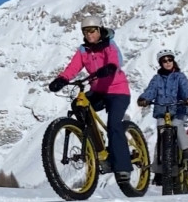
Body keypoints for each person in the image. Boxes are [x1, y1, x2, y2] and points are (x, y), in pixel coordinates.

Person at [47, 14, 133, 184]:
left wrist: (109, 68)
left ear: (99, 30)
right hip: (98, 91)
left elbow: (115, 61)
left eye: (92, 31)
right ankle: (93, 137)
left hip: (118, 92)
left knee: (114, 125)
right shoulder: (83, 50)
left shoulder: (109, 45)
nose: (89, 35)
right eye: (85, 32)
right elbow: (73, 67)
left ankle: (123, 167)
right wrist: (61, 79)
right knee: (78, 105)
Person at [137, 49, 188, 186]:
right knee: (161, 136)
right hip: (162, 111)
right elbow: (150, 90)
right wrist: (144, 98)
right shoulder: (157, 79)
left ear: (173, 61)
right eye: (164, 60)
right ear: (160, 63)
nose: (167, 62)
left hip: (178, 110)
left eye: (170, 60)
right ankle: (158, 171)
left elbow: (185, 88)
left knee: (177, 126)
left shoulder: (179, 77)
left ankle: (186, 153)